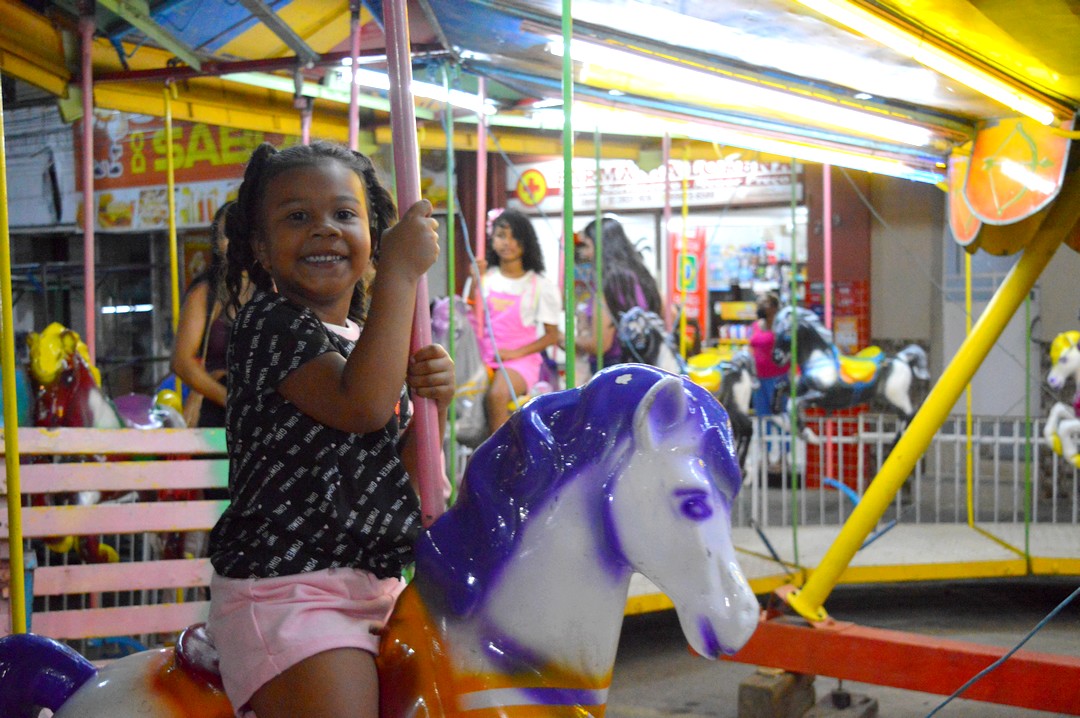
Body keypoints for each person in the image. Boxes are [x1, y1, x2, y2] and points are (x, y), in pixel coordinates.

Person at [206, 141, 453, 718]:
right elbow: (362, 405)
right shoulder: (269, 325)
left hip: (375, 584)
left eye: (344, 214)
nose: (324, 230)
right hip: (288, 590)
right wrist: (398, 275)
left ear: (371, 234)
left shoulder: (366, 341)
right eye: (298, 217)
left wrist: (430, 410)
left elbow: (404, 480)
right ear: (261, 250)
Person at [474, 208, 561, 432]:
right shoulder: (486, 279)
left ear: (526, 242)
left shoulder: (539, 284)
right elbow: (472, 316)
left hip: (519, 360)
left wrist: (513, 353)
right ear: (492, 240)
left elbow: (552, 335)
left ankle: (499, 453)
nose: (508, 242)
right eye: (502, 236)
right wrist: (475, 282)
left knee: (498, 394)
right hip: (484, 353)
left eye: (515, 237)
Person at [170, 200, 252, 428]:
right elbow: (181, 362)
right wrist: (229, 400)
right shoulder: (206, 293)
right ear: (217, 242)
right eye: (226, 234)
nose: (233, 242)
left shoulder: (276, 288)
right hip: (218, 416)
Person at [574, 216, 662, 371]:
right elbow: (670, 314)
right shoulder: (642, 277)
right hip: (648, 366)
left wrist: (566, 340)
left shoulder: (610, 284)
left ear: (602, 246)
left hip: (613, 372)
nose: (586, 253)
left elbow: (600, 344)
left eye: (588, 246)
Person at [748, 291, 790, 416]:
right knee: (762, 415)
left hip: (778, 378)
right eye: (759, 304)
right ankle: (764, 436)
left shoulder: (782, 327)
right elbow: (751, 347)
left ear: (774, 307)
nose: (760, 307)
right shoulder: (755, 326)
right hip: (758, 379)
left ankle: (780, 436)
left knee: (779, 414)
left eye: (764, 304)